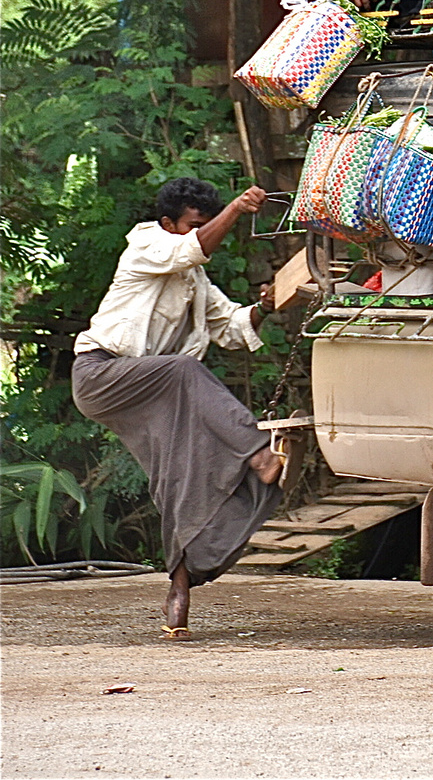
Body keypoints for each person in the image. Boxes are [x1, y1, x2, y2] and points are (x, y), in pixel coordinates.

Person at [71, 179, 282, 639]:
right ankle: (257, 450)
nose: (202, 232)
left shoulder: (196, 283)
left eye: (205, 223)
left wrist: (266, 305)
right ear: (169, 224)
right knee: (185, 370)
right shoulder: (145, 244)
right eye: (194, 225)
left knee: (180, 478)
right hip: (101, 375)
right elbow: (189, 250)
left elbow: (233, 327)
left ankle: (179, 590)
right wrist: (236, 209)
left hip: (154, 390)